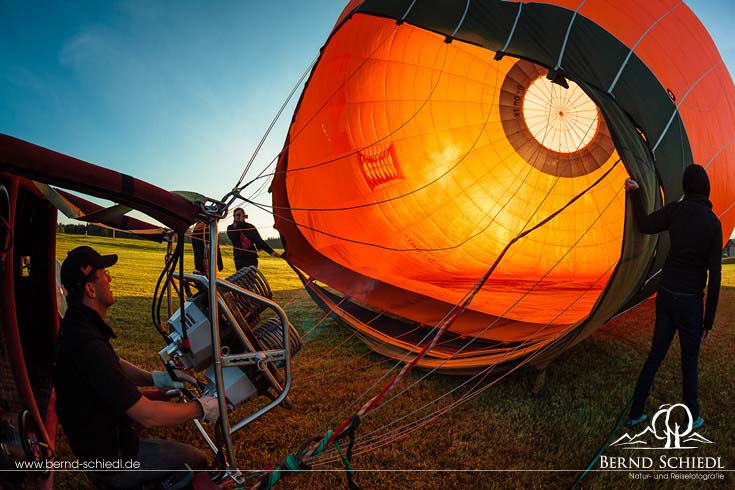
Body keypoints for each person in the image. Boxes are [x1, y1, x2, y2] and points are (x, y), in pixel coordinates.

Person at [54, 246, 220, 488]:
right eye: (104, 275)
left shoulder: (79, 326)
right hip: (113, 459)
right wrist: (201, 408)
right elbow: (148, 415)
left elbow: (114, 364)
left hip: (103, 444)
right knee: (196, 460)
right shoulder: (87, 343)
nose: (110, 279)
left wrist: (156, 379)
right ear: (90, 289)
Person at [624, 164, 722, 431]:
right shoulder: (713, 223)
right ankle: (692, 419)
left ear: (686, 187)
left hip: (666, 295)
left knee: (655, 355)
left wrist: (635, 193)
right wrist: (708, 321)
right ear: (706, 188)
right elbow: (715, 277)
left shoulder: (675, 211)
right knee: (689, 364)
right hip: (690, 302)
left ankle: (635, 413)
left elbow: (643, 225)